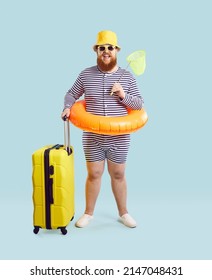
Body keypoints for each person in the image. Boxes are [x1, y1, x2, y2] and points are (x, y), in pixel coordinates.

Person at [61, 30, 144, 228]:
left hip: (120, 137)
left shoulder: (127, 77)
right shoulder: (86, 74)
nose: (106, 51)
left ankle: (124, 213)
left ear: (116, 50)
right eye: (102, 48)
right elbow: (72, 94)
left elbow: (139, 104)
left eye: (110, 47)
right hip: (92, 137)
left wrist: (123, 95)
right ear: (96, 51)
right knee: (94, 175)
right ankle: (88, 213)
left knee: (118, 175)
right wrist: (66, 107)